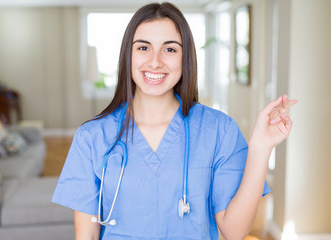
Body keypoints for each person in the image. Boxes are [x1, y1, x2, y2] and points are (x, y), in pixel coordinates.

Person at [52, 2, 297, 240]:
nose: (156, 61)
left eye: (170, 49)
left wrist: (261, 148)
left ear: (185, 58)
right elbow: (86, 235)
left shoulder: (219, 130)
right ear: (128, 55)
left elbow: (234, 232)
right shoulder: (92, 136)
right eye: (143, 48)